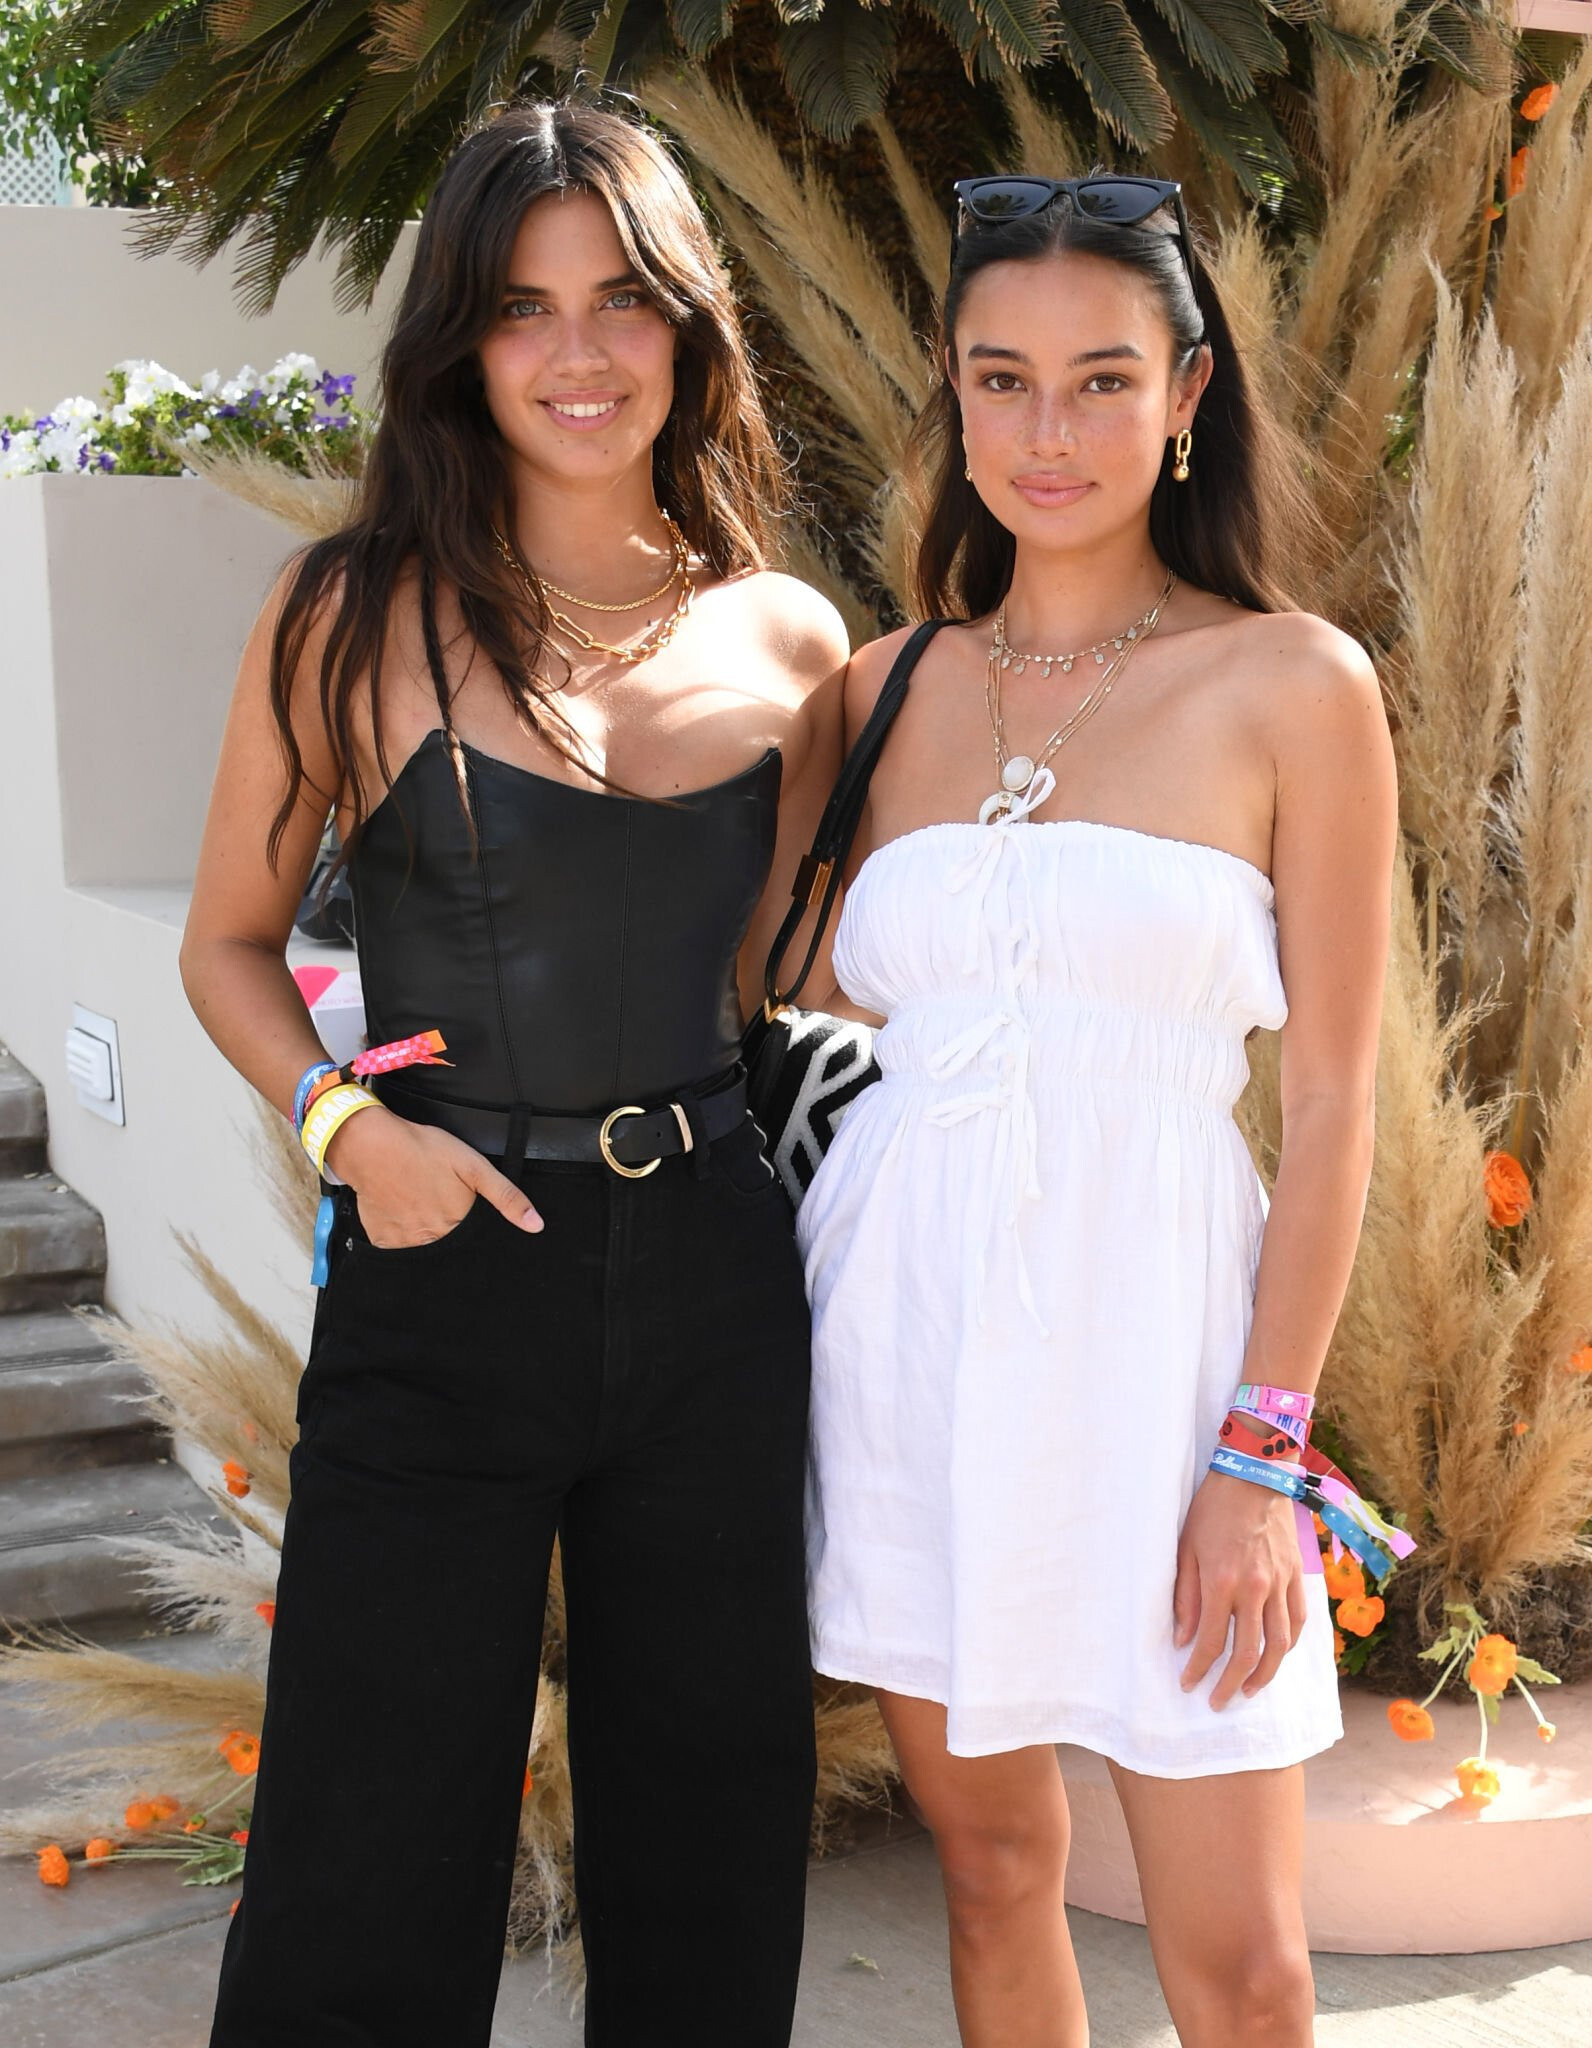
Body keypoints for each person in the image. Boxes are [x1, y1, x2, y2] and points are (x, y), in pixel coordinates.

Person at [179, 99, 846, 2048]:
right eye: (522, 307)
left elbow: (785, 983)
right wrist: (349, 1131)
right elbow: (226, 942)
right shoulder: (346, 615)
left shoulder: (791, 637)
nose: (578, 353)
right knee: (367, 1839)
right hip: (445, 1257)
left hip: (714, 1274)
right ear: (460, 342)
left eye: (622, 300)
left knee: (712, 1834)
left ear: (689, 328)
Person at [797, 173, 1397, 2048]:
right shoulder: (877, 692)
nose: (1046, 433)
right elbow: (758, 980)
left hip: (1170, 1362)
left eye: (1102, 381)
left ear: (1187, 392)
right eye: (1002, 380)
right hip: (905, 1341)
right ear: (953, 393)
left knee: (1245, 1966)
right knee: (991, 1873)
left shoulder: (1293, 682)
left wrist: (1262, 1454)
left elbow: (1334, 1097)